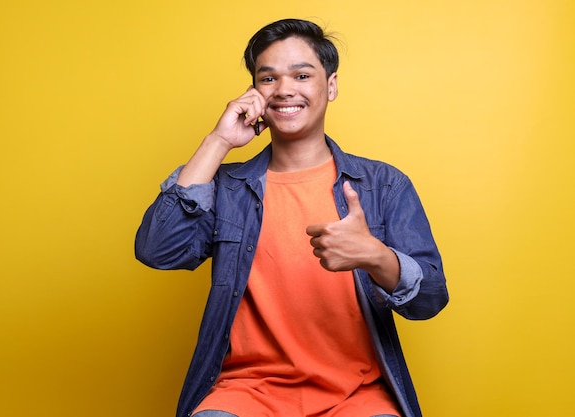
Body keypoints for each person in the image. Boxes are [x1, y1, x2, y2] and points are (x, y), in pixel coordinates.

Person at [135, 18, 448, 417]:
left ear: (330, 85)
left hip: (357, 395)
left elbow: (431, 298)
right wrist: (218, 142)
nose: (285, 89)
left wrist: (376, 256)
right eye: (268, 79)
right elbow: (157, 250)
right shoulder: (227, 187)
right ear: (254, 92)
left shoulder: (383, 185)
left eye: (302, 74)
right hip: (246, 392)